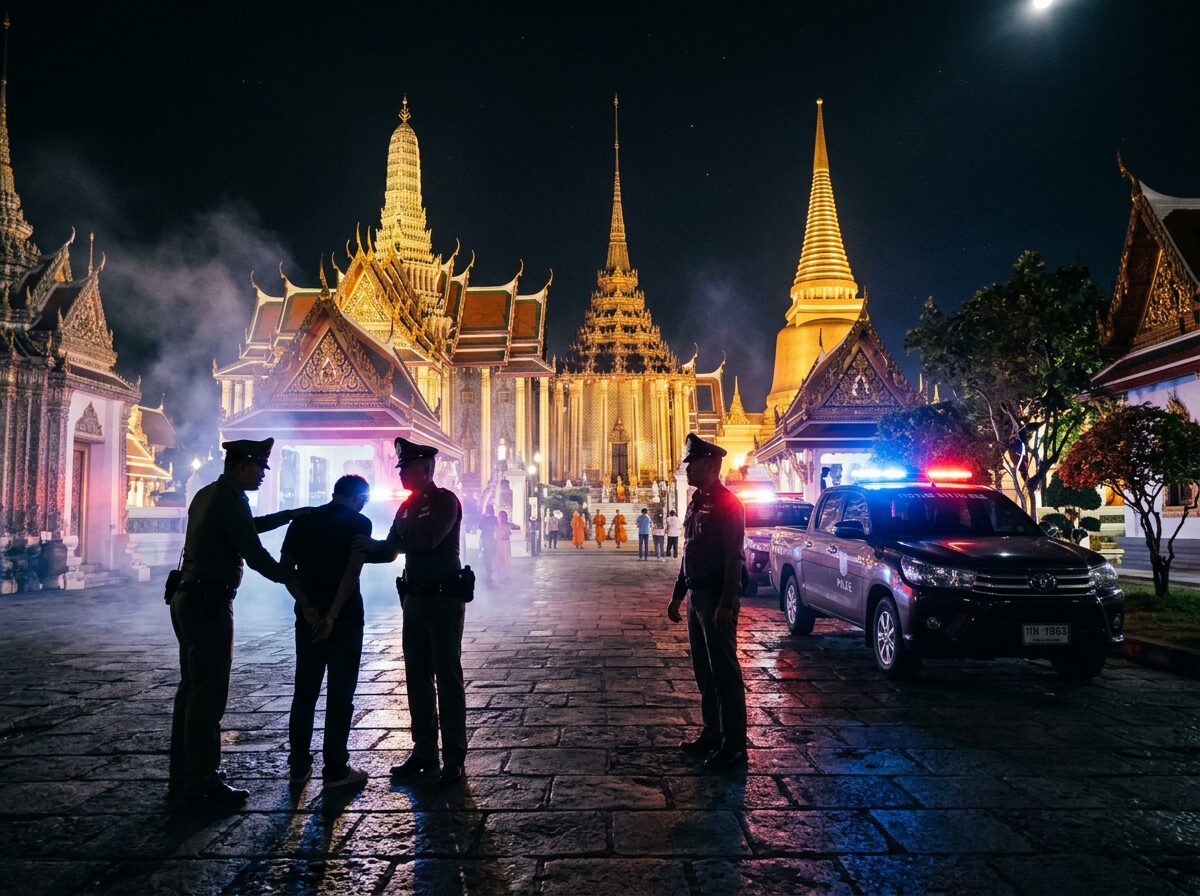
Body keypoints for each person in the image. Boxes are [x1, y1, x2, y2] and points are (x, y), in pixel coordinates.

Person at [168, 438, 315, 809]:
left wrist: (291, 514)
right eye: (259, 467)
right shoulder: (229, 500)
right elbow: (253, 552)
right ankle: (203, 782)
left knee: (191, 691)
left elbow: (247, 528)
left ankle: (184, 776)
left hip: (188, 598)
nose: (264, 474)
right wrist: (290, 578)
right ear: (241, 466)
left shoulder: (210, 494)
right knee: (208, 694)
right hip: (208, 604)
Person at [355, 437, 468, 786]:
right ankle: (423, 752)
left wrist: (386, 545)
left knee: (447, 677)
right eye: (400, 468)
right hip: (415, 599)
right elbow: (390, 550)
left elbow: (428, 541)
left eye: (407, 468)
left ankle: (453, 757)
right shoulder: (405, 508)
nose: (402, 473)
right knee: (417, 676)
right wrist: (359, 546)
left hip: (444, 600)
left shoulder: (445, 502)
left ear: (427, 469)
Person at [280, 474, 373, 791]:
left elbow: (286, 570)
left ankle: (298, 764)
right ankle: (335, 768)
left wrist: (307, 607)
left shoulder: (303, 521)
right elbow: (351, 573)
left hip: (307, 619)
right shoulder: (360, 524)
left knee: (304, 691)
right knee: (340, 693)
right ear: (359, 497)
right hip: (344, 619)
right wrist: (332, 615)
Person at [666, 433, 748, 771]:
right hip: (696, 596)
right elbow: (689, 551)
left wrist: (727, 602)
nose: (687, 468)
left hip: (716, 599)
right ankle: (712, 733)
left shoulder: (729, 504)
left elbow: (733, 558)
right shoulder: (696, 501)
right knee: (704, 671)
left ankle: (734, 746)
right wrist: (678, 594)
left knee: (725, 673)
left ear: (711, 465)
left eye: (693, 463)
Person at [494, 510, 516, 582]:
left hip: (506, 543)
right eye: (500, 517)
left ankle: (506, 575)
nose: (502, 519)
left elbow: (514, 527)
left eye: (503, 517)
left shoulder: (507, 525)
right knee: (499, 559)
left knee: (507, 559)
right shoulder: (496, 525)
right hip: (499, 543)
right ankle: (499, 574)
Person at [478, 504, 497, 584]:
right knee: (489, 555)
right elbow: (480, 527)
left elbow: (480, 527)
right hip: (487, 539)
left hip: (491, 539)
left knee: (489, 555)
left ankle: (490, 571)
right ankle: (489, 572)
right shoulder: (486, 518)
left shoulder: (487, 518)